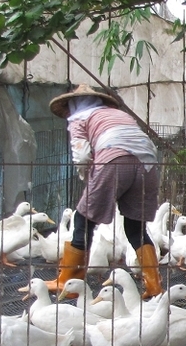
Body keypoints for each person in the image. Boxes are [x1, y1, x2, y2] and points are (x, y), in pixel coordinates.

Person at [46, 83, 163, 298]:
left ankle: (67, 282)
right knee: (135, 228)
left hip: (115, 160)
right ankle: (154, 287)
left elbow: (81, 156)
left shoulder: (79, 118)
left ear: (73, 104)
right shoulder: (117, 114)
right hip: (148, 164)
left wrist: (87, 178)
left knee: (83, 221)